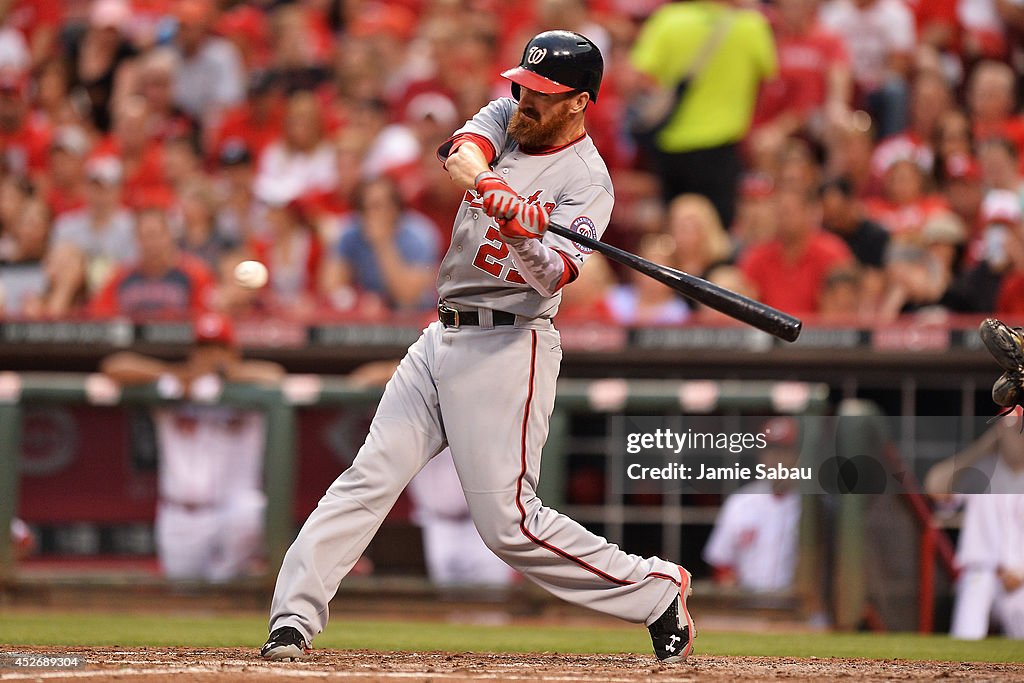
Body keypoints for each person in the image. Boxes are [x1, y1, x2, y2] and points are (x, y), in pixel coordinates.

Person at [261, 31, 696, 665]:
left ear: (579, 102)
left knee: (510, 527)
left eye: (544, 94)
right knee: (367, 478)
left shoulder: (589, 183)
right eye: (525, 83)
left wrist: (523, 232)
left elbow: (553, 275)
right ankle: (292, 621)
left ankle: (654, 590)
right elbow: (462, 155)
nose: (526, 98)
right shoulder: (508, 112)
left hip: (510, 342)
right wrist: (495, 189)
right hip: (441, 335)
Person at [101, 312, 285, 581]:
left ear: (234, 352)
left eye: (218, 348)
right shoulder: (172, 384)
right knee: (184, 596)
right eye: (203, 348)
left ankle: (225, 579)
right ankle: (221, 584)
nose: (210, 356)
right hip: (180, 516)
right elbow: (114, 366)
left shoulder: (249, 387)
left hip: (232, 511)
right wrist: (180, 375)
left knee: (253, 512)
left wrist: (226, 375)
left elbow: (275, 376)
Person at [629, 0, 776, 228]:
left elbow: (637, 80)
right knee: (719, 230)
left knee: (677, 228)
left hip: (670, 144)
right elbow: (768, 83)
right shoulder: (751, 25)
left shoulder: (668, 20)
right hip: (721, 145)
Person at [924, 410, 1024, 639]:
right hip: (982, 572)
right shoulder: (982, 468)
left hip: (1021, 578)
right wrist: (985, 444)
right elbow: (935, 487)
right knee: (966, 635)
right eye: (1013, 426)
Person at [703, 418, 802, 592]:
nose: (776, 459)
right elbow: (721, 562)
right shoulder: (741, 502)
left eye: (785, 451)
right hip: (748, 606)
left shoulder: (815, 505)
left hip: (799, 608)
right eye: (771, 450)